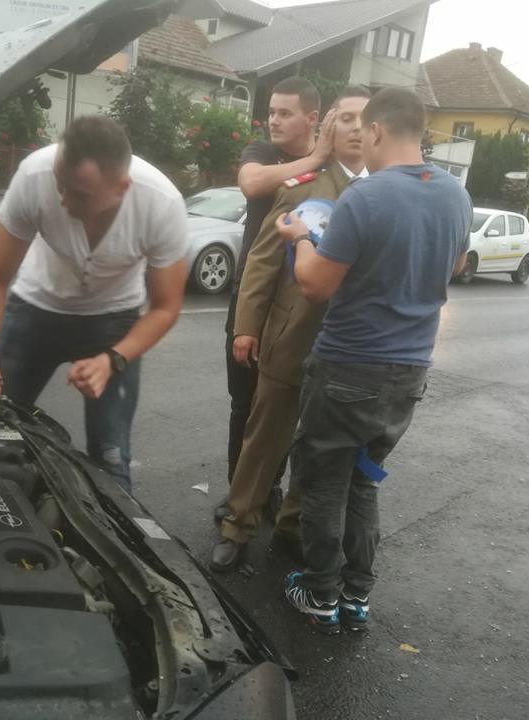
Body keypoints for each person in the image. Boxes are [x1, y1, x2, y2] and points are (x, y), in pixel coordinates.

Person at [274, 87, 473, 634]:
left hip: (347, 368)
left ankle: (319, 593)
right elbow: (455, 265)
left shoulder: (367, 197)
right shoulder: (456, 195)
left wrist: (300, 238)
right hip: (408, 375)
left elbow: (315, 285)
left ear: (378, 130)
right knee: (363, 481)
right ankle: (356, 594)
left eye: (365, 130)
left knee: (325, 482)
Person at [0, 116, 189, 491]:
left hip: (113, 322)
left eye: (81, 194)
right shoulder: (34, 176)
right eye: (60, 184)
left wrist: (113, 360)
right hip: (35, 308)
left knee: (111, 457)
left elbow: (166, 308)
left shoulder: (161, 204)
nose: (64, 200)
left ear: (122, 187)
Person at [210, 87, 373, 572]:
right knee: (263, 438)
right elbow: (262, 261)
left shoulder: (385, 194)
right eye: (346, 119)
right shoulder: (303, 186)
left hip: (347, 346)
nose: (356, 129)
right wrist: (247, 326)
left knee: (321, 445)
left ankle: (291, 525)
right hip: (290, 334)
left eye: (365, 120)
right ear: (329, 126)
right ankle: (238, 524)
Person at [218, 75, 336, 522]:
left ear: (312, 117)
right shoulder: (263, 154)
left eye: (285, 113)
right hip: (251, 294)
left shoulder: (335, 170)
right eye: (271, 112)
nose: (273, 120)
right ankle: (237, 491)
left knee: (285, 402)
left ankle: (268, 488)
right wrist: (316, 158)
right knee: (244, 402)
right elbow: (251, 185)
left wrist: (325, 159)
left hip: (301, 299)